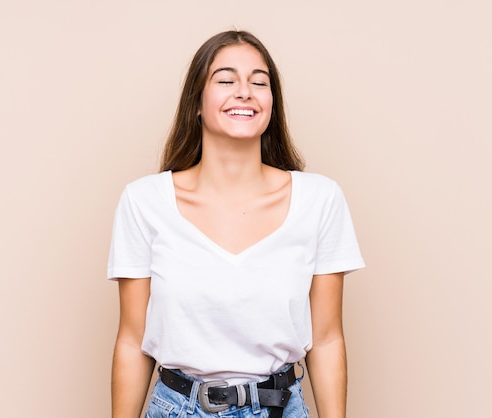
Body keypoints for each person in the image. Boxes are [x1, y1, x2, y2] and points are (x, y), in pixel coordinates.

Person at [107, 30, 364, 418]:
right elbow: (132, 340)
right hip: (176, 408)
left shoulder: (319, 199)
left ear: (271, 103)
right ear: (196, 102)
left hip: (280, 407)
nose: (244, 91)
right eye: (226, 80)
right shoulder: (144, 202)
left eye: (259, 82)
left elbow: (326, 340)